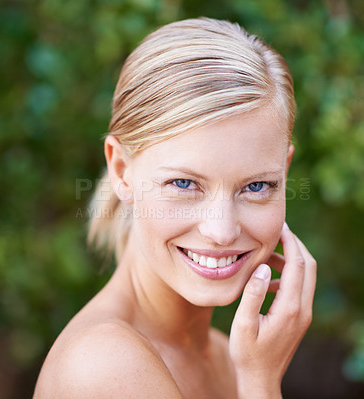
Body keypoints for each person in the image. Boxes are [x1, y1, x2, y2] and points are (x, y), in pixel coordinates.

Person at [33, 17, 316, 399]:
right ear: (121, 170)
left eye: (256, 186)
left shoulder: (228, 355)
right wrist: (260, 384)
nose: (222, 231)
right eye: (183, 183)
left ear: (284, 172)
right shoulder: (105, 364)